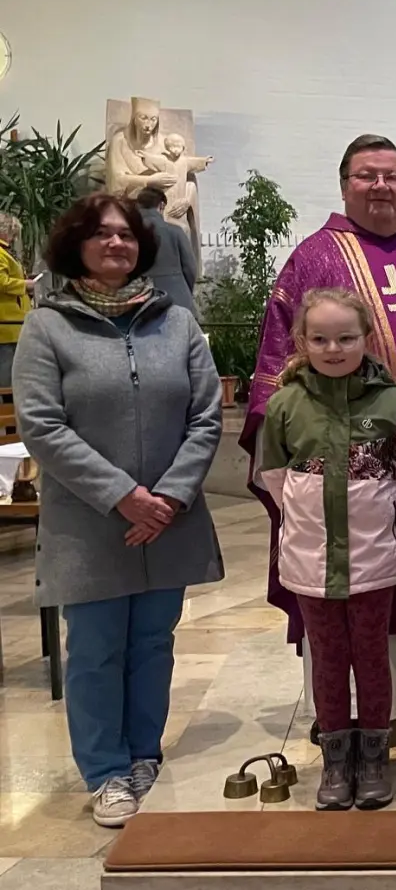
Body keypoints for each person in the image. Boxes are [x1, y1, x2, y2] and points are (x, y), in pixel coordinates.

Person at [244, 134, 396, 734]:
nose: (380, 186)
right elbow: (278, 374)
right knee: (346, 587)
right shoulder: (315, 259)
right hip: (347, 475)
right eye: (365, 176)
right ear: (344, 185)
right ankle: (344, 711)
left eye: (391, 176)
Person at [15, 193, 223, 827]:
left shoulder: (176, 322)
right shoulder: (48, 325)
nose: (116, 244)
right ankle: (105, 771)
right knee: (98, 648)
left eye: (127, 235)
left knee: (154, 643)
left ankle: (143, 757)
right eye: (102, 234)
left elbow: (206, 415)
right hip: (89, 521)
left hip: (169, 516)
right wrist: (124, 496)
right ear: (75, 243)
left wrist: (167, 497)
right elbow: (42, 426)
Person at [257, 290, 396, 811]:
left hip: (373, 556)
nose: (334, 348)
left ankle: (374, 755)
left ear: (367, 338)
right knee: (328, 659)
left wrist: (381, 523)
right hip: (310, 558)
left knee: (371, 656)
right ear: (302, 341)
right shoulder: (286, 405)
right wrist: (310, 519)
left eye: (347, 337)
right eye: (321, 338)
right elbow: (273, 478)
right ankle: (336, 759)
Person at [134, 187, 199, 315]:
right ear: (161, 205)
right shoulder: (175, 232)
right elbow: (190, 268)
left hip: (141, 304)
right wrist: (185, 291)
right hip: (178, 301)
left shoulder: (129, 234)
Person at [0, 212, 36, 385]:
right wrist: (25, 285)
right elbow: (2, 282)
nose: (14, 238)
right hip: (6, 322)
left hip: (14, 321)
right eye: (13, 233)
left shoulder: (5, 252)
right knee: (6, 376)